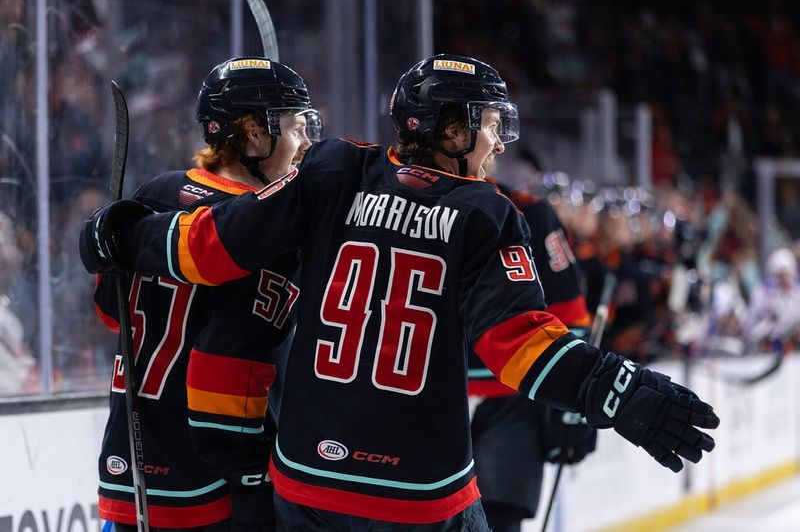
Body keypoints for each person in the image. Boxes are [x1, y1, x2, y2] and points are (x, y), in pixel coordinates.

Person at [80, 54, 719, 531]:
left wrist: (127, 234)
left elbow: (211, 245)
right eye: (491, 124)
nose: (499, 142)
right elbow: (521, 348)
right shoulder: (485, 214)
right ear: (451, 130)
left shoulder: (332, 170)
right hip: (420, 494)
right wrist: (614, 387)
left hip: (308, 485)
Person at [89, 57, 320, 531]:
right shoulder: (262, 234)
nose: (306, 144)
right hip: (207, 476)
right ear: (255, 133)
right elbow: (226, 369)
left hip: (128, 461)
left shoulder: (155, 193)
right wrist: (251, 476)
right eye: (297, 129)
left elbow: (110, 312)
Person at [467, 180, 596, 532]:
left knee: (500, 520)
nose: (496, 141)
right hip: (427, 403)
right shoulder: (400, 203)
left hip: (511, 402)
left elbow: (572, 318)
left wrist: (572, 403)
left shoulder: (531, 211)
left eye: (496, 123)